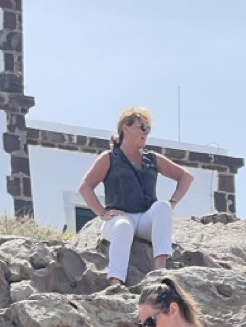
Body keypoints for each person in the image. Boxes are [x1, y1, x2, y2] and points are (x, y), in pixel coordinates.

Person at [78, 106, 194, 284]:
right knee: (123, 226)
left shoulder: (152, 158)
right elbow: (85, 187)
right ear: (126, 128)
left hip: (145, 220)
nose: (146, 132)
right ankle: (115, 282)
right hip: (119, 219)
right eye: (142, 127)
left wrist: (173, 202)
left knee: (163, 206)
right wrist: (102, 213)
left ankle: (160, 272)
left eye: (148, 128)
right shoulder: (109, 158)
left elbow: (185, 176)